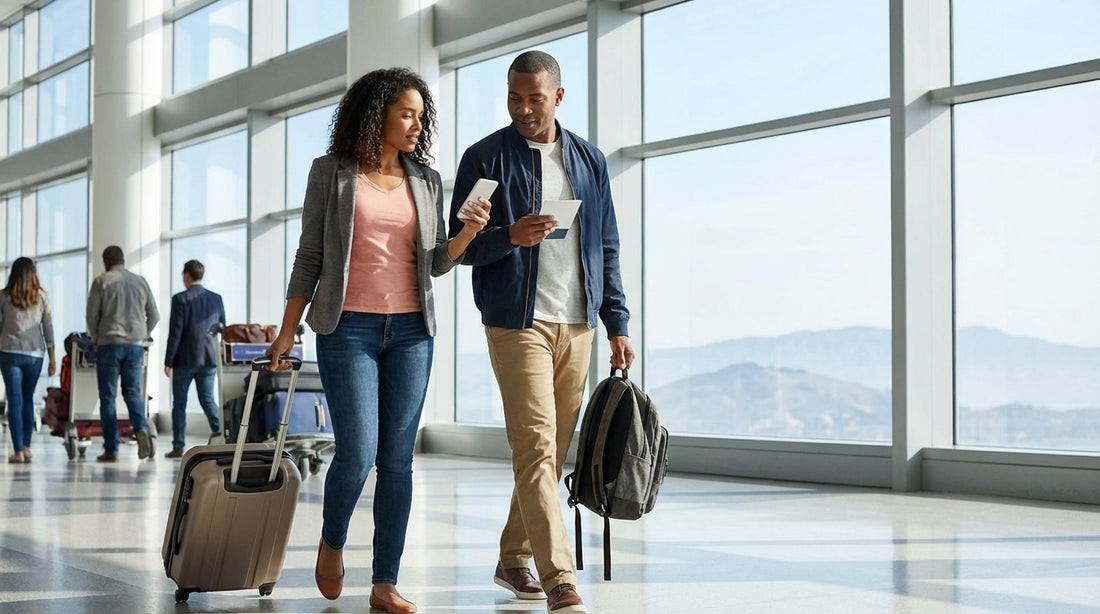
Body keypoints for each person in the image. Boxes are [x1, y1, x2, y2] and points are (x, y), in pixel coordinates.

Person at [265, 67, 489, 614]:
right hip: (348, 329)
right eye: (406, 114)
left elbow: (435, 263)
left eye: (421, 116)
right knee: (358, 452)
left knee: (397, 461)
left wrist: (468, 232)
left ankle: (385, 582)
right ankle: (332, 539)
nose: (417, 125)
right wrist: (288, 330)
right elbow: (310, 256)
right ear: (377, 114)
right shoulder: (331, 173)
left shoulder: (427, 180)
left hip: (412, 331)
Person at [448, 50, 634, 614]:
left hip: (577, 322)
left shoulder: (588, 159)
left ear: (558, 96)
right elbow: (458, 248)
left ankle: (512, 558)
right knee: (534, 444)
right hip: (516, 321)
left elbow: (605, 244)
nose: (523, 109)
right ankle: (559, 579)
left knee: (550, 453)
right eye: (514, 98)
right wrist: (510, 235)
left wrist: (617, 322)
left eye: (534, 98)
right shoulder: (484, 158)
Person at [86, 245, 160, 462]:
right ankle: (141, 429)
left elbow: (91, 316)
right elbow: (154, 315)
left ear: (106, 262)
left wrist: (96, 339)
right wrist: (143, 335)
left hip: (109, 345)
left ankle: (112, 450)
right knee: (132, 393)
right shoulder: (140, 281)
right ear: (123, 261)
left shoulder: (101, 281)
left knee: (108, 397)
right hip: (135, 346)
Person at [163, 259, 226, 458]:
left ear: (187, 276)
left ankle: (178, 446)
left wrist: (168, 361)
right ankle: (224, 437)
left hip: (185, 358)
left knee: (179, 403)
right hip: (209, 357)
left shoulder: (180, 299)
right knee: (207, 399)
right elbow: (223, 328)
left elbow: (176, 332)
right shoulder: (216, 299)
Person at [0, 257, 56, 463]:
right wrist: (52, 358)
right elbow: (48, 328)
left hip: (9, 352)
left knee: (14, 400)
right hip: (35, 355)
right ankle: (26, 446)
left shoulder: (3, 297)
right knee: (27, 399)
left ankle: (18, 452)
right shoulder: (42, 297)